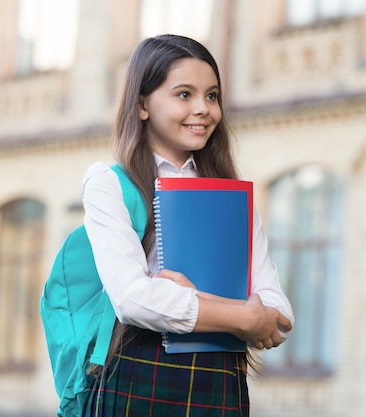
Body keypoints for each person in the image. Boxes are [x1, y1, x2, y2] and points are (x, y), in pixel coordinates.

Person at [81, 34, 294, 417]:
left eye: (212, 96)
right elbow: (132, 299)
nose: (203, 109)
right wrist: (241, 315)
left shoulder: (233, 196)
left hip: (219, 382)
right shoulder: (110, 185)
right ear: (142, 104)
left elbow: (278, 310)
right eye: (184, 95)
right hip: (136, 376)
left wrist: (191, 298)